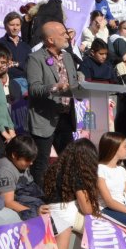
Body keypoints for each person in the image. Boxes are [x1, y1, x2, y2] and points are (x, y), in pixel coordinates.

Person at [27, 21, 79, 185]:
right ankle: (40, 200)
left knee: (69, 161)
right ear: (50, 39)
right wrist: (54, 87)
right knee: (41, 164)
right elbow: (34, 89)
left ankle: (66, 194)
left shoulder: (68, 57)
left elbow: (74, 83)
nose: (67, 36)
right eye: (63, 34)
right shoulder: (35, 58)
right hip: (44, 119)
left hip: (65, 117)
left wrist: (80, 88)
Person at [0, 11, 31, 86]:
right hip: (8, 83)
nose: (15, 28)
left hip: (27, 82)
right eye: (12, 25)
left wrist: (16, 64)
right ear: (5, 26)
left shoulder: (26, 45)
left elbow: (30, 66)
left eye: (17, 25)